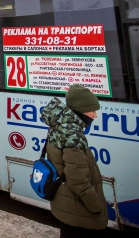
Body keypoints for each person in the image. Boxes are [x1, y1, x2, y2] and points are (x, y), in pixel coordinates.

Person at [40, 84, 108, 237]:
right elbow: (78, 181)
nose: (94, 116)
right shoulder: (73, 136)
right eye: (92, 111)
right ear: (80, 111)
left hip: (66, 205)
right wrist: (97, 207)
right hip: (79, 209)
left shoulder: (59, 125)